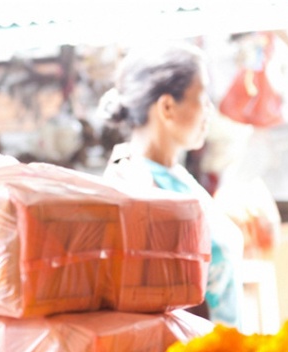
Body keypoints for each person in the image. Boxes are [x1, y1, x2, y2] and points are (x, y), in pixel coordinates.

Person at [99, 42, 245, 328]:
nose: (209, 111)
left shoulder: (173, 176)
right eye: (202, 98)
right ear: (167, 107)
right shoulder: (138, 186)